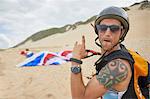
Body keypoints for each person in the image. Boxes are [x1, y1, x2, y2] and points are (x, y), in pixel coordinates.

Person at [70, 6, 149, 99]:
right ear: (97, 31)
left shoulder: (118, 68)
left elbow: (80, 97)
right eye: (103, 28)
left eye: (114, 28)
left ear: (122, 32)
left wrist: (75, 60)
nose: (107, 33)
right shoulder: (116, 53)